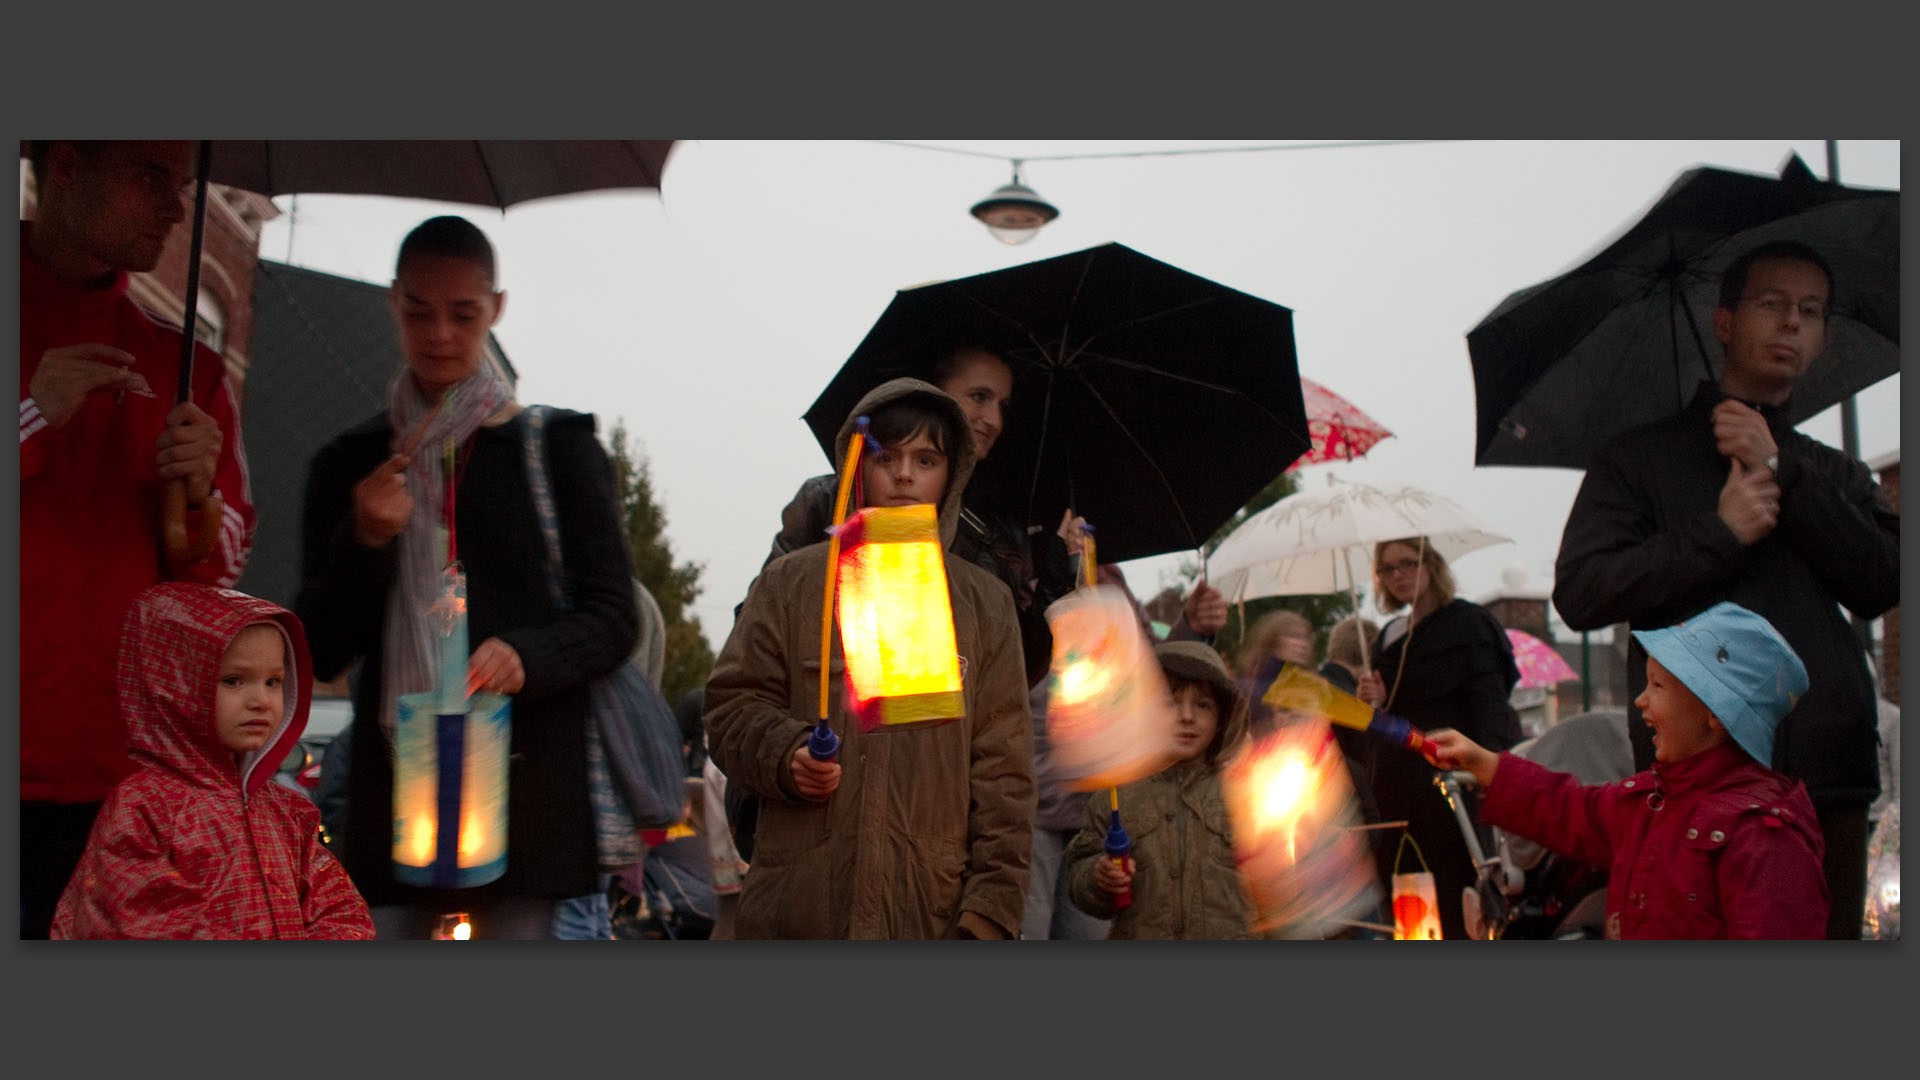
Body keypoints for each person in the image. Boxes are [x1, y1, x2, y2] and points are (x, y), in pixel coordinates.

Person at [297, 216, 639, 940]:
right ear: (393, 302)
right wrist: (365, 540)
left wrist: (527, 656)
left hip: (524, 805)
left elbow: (615, 616)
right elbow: (319, 649)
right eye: (419, 311)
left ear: (497, 309)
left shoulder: (555, 450)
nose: (441, 334)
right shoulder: (349, 463)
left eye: (464, 313)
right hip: (394, 802)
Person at [1552, 240, 1899, 938]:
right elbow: (1582, 591)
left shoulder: (1831, 470)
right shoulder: (1638, 459)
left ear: (1825, 336)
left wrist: (1784, 473)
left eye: (1810, 310)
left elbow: (1882, 579)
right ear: (1724, 323)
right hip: (1695, 787)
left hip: (1824, 777)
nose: (1792, 323)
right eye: (1772, 303)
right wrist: (1719, 533)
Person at [20, 140, 258, 938]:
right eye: (151, 176)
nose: (176, 205)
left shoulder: (184, 362)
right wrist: (26, 415)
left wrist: (197, 495)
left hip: (119, 785)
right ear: (65, 165)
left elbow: (223, 563)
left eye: (183, 183)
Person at [705, 377, 1034, 939]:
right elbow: (731, 708)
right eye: (886, 456)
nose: (905, 474)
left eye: (926, 459)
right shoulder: (793, 582)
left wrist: (987, 916)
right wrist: (786, 754)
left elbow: (1005, 773)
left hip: (929, 909)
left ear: (951, 476)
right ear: (858, 466)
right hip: (799, 906)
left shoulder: (985, 604)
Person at [764, 343, 1229, 689]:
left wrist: (1054, 582)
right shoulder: (830, 500)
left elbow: (1016, 672)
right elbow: (760, 634)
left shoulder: (1000, 531)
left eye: (1003, 405)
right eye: (979, 397)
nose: (994, 419)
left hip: (940, 765)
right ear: (934, 395)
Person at [1426, 602, 1829, 939]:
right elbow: (1569, 808)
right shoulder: (1652, 802)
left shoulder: (1764, 837)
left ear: (1715, 713)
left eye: (1657, 686)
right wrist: (1484, 763)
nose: (1639, 700)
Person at [52, 583, 374, 939]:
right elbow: (144, 923)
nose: (262, 700)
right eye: (234, 681)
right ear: (174, 686)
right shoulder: (144, 809)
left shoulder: (287, 812)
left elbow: (339, 909)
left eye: (273, 681)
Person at [1355, 536, 1522, 940]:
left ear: (1431, 564)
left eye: (1408, 563)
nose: (1398, 575)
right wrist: (1375, 702)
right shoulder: (1389, 636)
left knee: (1460, 896)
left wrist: (1490, 770)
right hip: (1397, 790)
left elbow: (1489, 704)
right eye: (1387, 569)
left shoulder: (1468, 623)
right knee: (1410, 902)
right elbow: (1390, 713)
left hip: (1453, 787)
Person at [1064, 640, 1255, 939]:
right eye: (1170, 702)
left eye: (1203, 705)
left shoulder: (1247, 791)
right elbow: (1079, 871)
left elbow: (1281, 886)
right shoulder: (1117, 790)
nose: (1187, 716)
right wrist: (1097, 878)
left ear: (1222, 718)